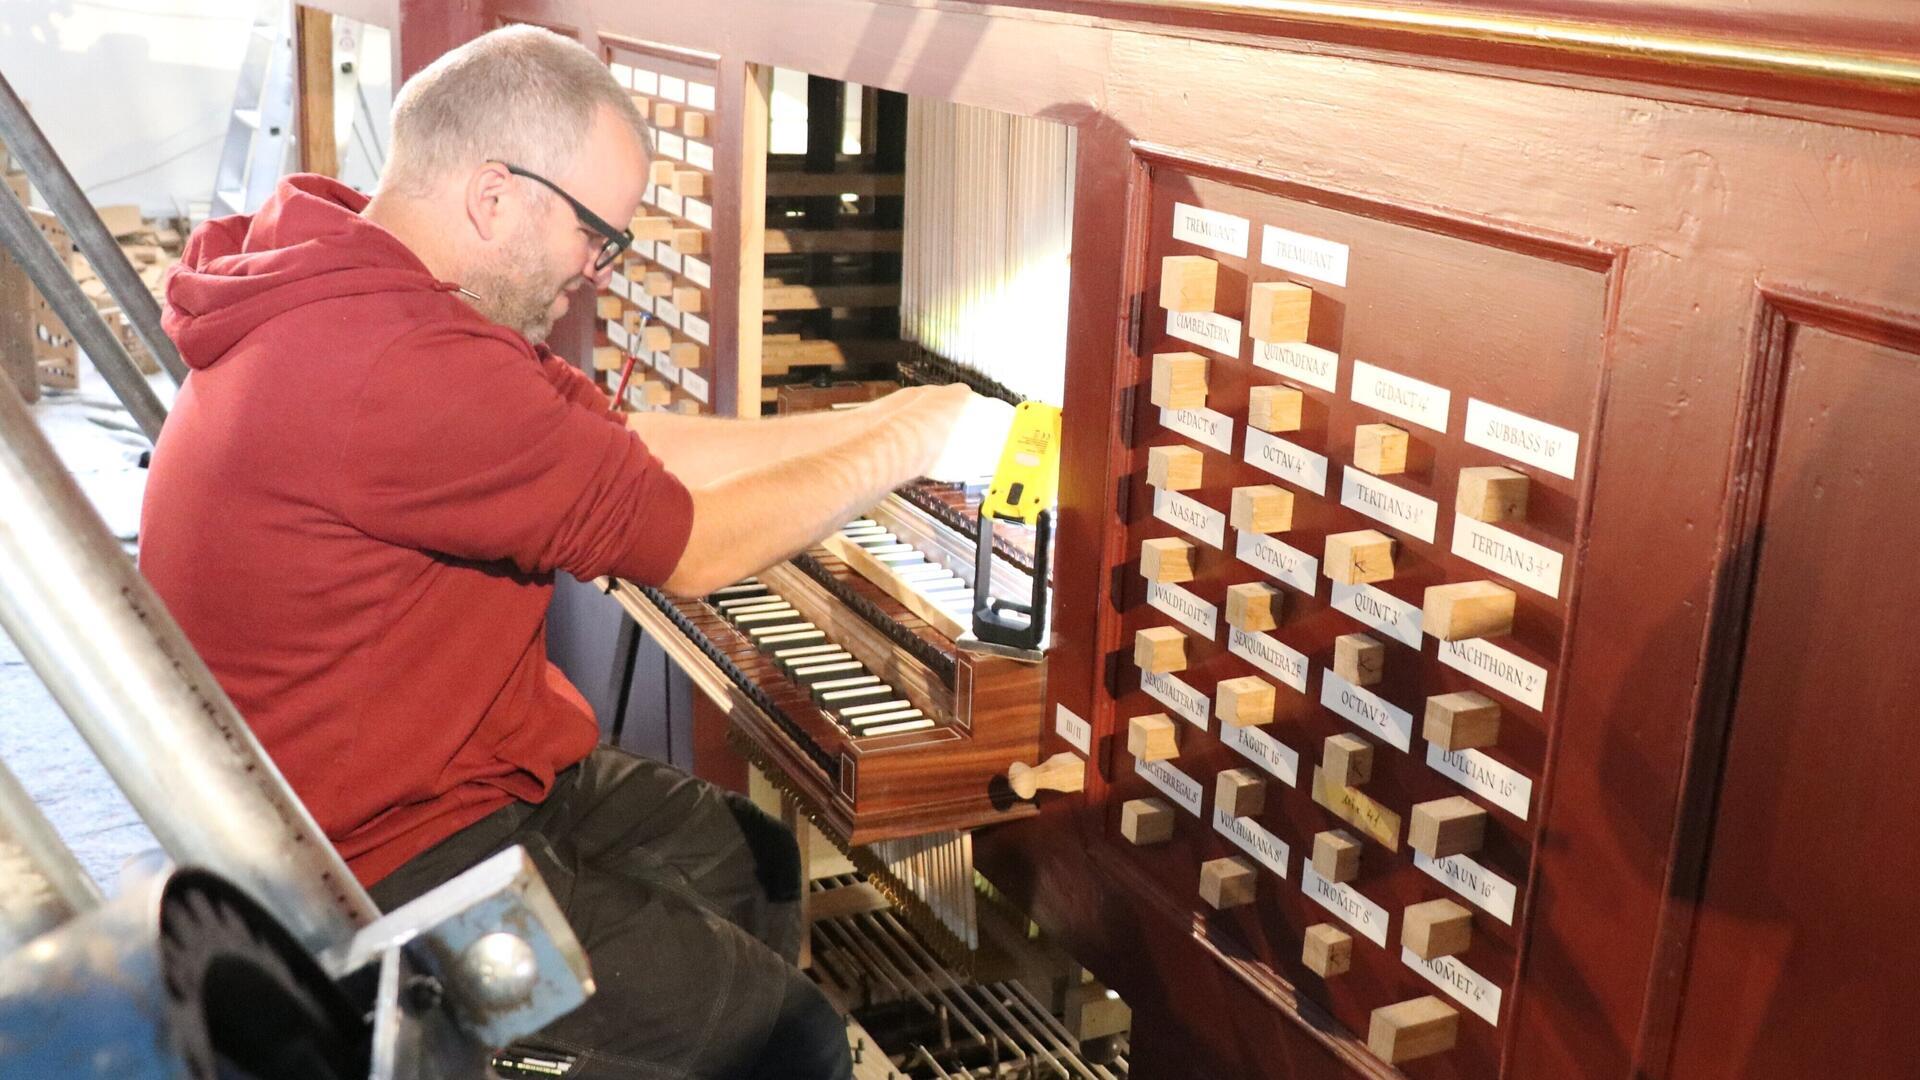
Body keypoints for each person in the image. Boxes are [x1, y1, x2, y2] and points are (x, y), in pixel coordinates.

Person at [140, 25, 975, 1080]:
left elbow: (642, 448)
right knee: (788, 1039)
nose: (597, 271)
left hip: (433, 783)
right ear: (496, 196)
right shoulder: (399, 370)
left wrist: (894, 417)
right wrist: (915, 448)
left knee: (748, 858)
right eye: (595, 235)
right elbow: (700, 546)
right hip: (369, 882)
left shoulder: (368, 283)